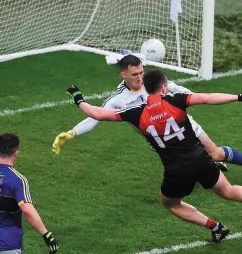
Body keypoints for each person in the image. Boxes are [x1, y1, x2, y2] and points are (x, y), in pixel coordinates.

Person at [66, 70, 242, 242]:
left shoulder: (135, 113)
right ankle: (217, 227)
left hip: (176, 171)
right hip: (201, 160)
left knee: (171, 204)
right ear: (164, 87)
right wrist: (238, 97)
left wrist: (79, 99)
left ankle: (215, 227)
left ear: (146, 88)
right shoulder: (176, 99)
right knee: (229, 191)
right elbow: (208, 98)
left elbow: (96, 113)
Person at [53, 55, 242, 171]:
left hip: (184, 127)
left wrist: (193, 98)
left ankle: (210, 163)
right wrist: (71, 133)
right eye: (135, 75)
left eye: (141, 73)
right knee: (187, 167)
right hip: (160, 139)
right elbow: (95, 117)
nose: (140, 78)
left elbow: (183, 91)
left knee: (215, 154)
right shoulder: (119, 99)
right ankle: (206, 166)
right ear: (123, 75)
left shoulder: (153, 82)